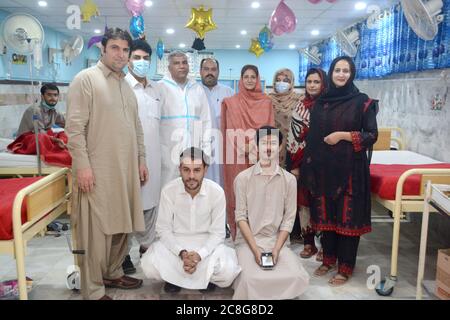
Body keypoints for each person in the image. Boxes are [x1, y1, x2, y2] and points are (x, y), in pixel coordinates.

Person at [66, 27, 148, 300]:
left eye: (125, 50)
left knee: (122, 226)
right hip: (98, 171)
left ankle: (112, 272)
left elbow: (136, 127)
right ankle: (93, 288)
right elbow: (74, 129)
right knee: (96, 233)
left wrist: (141, 160)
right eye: (115, 48)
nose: (121, 54)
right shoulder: (86, 79)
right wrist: (83, 166)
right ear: (102, 49)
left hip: (126, 171)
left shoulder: (126, 85)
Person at [300, 56, 378, 286]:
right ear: (331, 74)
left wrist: (343, 136)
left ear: (352, 74)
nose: (341, 74)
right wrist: (309, 167)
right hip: (324, 169)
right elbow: (313, 136)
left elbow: (372, 135)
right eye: (337, 70)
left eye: (346, 70)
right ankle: (328, 259)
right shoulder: (321, 102)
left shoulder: (362, 102)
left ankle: (345, 267)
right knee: (326, 217)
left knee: (346, 220)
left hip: (351, 171)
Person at [141, 147, 241, 293]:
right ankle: (198, 278)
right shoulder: (169, 191)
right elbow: (163, 229)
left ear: (205, 169)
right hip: (177, 246)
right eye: (186, 170)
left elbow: (218, 234)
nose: (191, 176)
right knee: (148, 265)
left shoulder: (216, 192)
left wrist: (200, 255)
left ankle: (178, 277)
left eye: (197, 170)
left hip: (206, 247)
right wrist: (181, 253)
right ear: (180, 169)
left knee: (228, 272)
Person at [232, 126, 309, 300]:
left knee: (296, 276)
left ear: (280, 146)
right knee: (250, 280)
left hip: (277, 241)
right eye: (264, 143)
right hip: (248, 242)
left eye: (273, 143)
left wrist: (276, 249)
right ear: (257, 146)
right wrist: (255, 250)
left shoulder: (289, 180)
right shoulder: (243, 178)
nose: (268, 148)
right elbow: (240, 218)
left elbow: (289, 219)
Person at [221, 65, 274, 240]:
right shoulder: (231, 102)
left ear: (258, 79)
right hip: (237, 156)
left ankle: (259, 234)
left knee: (260, 194)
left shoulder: (266, 102)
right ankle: (242, 236)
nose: (250, 80)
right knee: (239, 193)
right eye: (246, 77)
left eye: (253, 76)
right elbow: (229, 130)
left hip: (260, 155)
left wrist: (256, 148)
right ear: (241, 79)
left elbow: (269, 129)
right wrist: (245, 147)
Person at [123, 39, 162, 274]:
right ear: (128, 60)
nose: (141, 62)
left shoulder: (156, 89)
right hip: (130, 160)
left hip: (155, 159)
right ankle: (123, 254)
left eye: (146, 58)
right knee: (128, 207)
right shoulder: (122, 87)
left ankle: (147, 247)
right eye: (136, 58)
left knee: (151, 206)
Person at [286, 68, 327, 261]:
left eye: (316, 82)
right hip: (303, 163)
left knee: (324, 204)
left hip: (325, 164)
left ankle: (326, 246)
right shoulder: (300, 106)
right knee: (304, 204)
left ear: (323, 83)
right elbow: (293, 136)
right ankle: (308, 243)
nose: (312, 85)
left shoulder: (330, 105)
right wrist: (294, 165)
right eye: (309, 81)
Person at [158, 51, 211, 189]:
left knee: (192, 194)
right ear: (169, 67)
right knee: (167, 194)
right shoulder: (160, 88)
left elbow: (206, 123)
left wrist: (206, 153)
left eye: (184, 62)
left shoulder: (197, 89)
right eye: (176, 63)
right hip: (167, 156)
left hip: (194, 155)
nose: (181, 66)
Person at [200, 58, 234, 186]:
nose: (210, 72)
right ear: (200, 71)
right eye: (206, 69)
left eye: (213, 69)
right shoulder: (194, 91)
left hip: (223, 145)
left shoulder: (228, 92)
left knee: (222, 181)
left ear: (218, 72)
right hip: (201, 145)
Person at [269, 68, 302, 168]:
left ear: (292, 83)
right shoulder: (267, 99)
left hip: (293, 147)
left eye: (286, 80)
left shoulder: (299, 99)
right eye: (278, 80)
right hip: (271, 146)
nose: (281, 83)